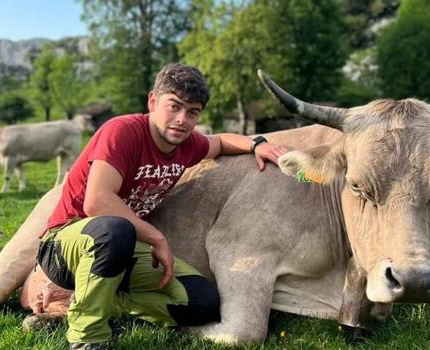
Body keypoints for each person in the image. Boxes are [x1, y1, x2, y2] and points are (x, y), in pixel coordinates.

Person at [31, 63, 288, 350]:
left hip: (122, 246)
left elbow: (219, 141)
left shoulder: (187, 145)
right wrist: (156, 236)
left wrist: (257, 145)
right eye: (174, 106)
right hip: (66, 244)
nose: (182, 119)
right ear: (153, 101)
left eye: (192, 112)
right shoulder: (122, 131)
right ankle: (87, 338)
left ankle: (85, 299)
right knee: (116, 230)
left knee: (202, 302)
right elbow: (97, 202)